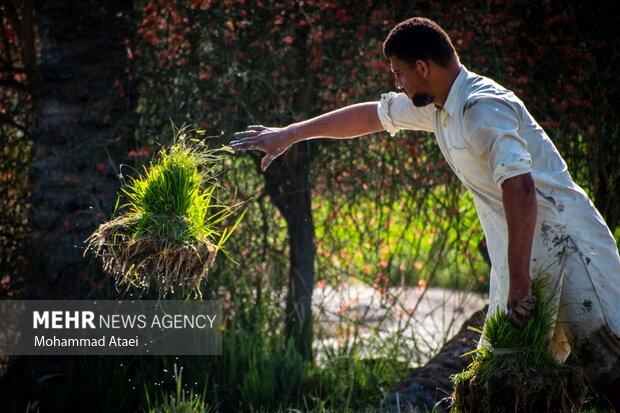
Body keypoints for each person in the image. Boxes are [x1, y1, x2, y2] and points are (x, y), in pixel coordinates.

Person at [230, 17, 620, 409]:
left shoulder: (481, 107)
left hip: (573, 252)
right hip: (527, 262)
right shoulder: (437, 107)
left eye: (400, 75)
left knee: (609, 370)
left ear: (422, 67)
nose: (398, 85)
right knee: (504, 390)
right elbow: (371, 116)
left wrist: (519, 281)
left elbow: (520, 189)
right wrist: (290, 134)